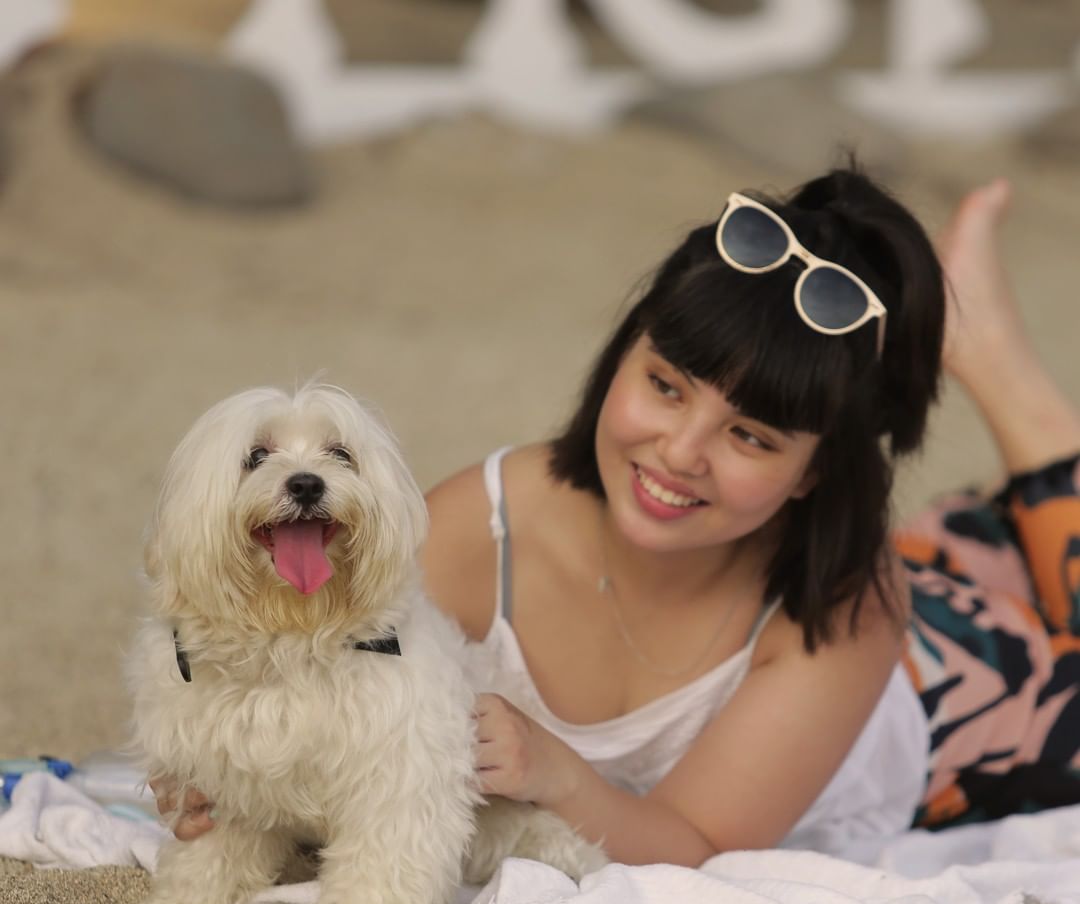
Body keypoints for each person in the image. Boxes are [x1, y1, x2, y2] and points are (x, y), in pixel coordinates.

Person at [155, 168, 1080, 865]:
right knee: (972, 548)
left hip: (960, 698)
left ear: (815, 473)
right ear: (622, 354)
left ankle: (997, 365)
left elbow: (698, 841)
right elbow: (295, 666)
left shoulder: (850, 606)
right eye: (665, 386)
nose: (680, 452)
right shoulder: (485, 526)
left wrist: (555, 772)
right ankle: (975, 517)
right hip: (898, 581)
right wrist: (221, 779)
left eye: (751, 437)